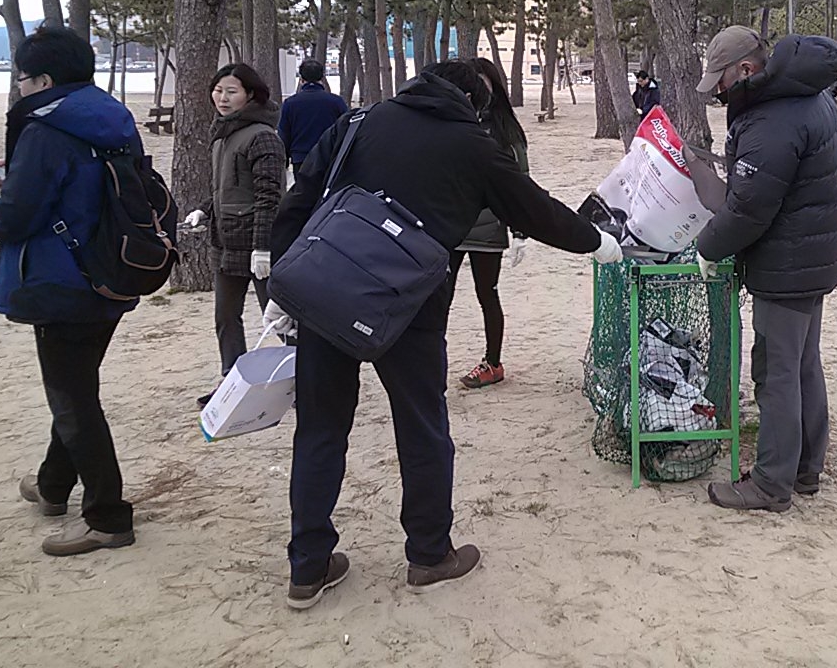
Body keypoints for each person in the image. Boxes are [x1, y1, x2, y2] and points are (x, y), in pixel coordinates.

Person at [265, 59, 623, 610]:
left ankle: (307, 567)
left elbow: (301, 198)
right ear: (475, 99)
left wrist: (280, 290)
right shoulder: (473, 146)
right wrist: (596, 242)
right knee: (422, 427)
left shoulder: (361, 122)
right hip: (411, 308)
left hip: (326, 296)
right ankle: (429, 555)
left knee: (319, 430)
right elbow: (537, 212)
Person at [0, 28, 142, 556]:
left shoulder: (45, 130)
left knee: (72, 399)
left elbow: (17, 216)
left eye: (20, 77)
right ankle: (51, 485)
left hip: (59, 280)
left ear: (42, 80)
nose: (18, 88)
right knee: (76, 386)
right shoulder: (113, 117)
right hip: (113, 270)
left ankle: (108, 516)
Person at [691, 25, 837, 513]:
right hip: (814, 257)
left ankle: (771, 484)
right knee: (803, 365)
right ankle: (805, 469)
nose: (717, 92)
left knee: (776, 372)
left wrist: (708, 247)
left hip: (787, 264)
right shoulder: (806, 96)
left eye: (720, 80)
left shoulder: (773, 118)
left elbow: (749, 209)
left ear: (746, 69)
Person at [183, 64, 285, 408]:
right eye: (218, 90)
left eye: (231, 91)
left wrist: (264, 247)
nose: (222, 98)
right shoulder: (223, 135)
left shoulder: (263, 136)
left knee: (279, 317)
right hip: (224, 244)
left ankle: (305, 378)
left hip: (256, 246)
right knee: (226, 317)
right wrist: (204, 209)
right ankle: (233, 381)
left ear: (250, 95)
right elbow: (226, 189)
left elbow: (269, 196)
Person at [452, 57, 529, 390]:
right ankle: (429, 360)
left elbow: (520, 181)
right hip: (449, 226)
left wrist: (521, 230)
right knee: (437, 297)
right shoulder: (452, 120)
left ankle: (493, 363)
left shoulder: (505, 129)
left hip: (486, 229)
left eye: (481, 83)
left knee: (488, 294)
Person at [277, 59, 348, 175]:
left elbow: (284, 133)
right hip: (329, 157)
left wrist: (284, 159)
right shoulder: (336, 102)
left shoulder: (290, 103)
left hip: (301, 158)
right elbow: (346, 129)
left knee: (303, 191)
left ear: (301, 79)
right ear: (322, 78)